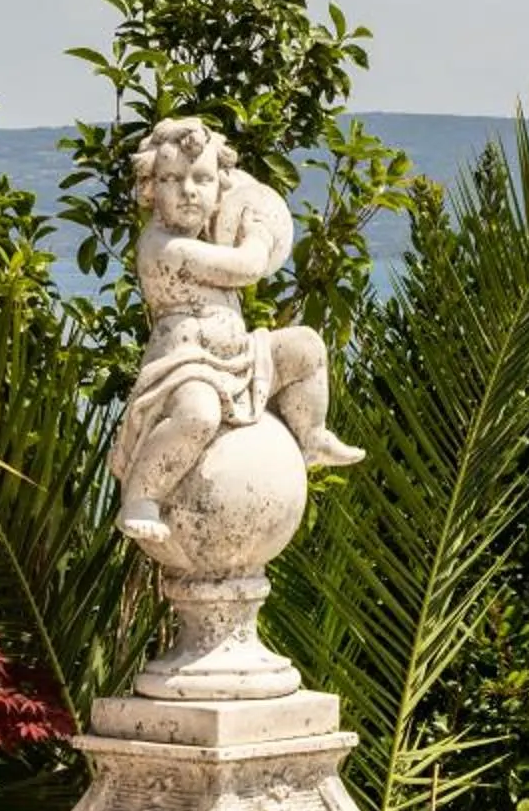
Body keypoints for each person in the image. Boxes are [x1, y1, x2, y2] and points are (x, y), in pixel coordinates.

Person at [110, 117, 362, 549]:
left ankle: (312, 435)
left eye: (202, 179)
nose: (189, 191)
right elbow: (247, 267)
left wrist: (243, 200)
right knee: (198, 415)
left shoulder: (204, 232)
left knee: (305, 347)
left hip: (238, 355)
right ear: (150, 187)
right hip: (187, 365)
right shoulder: (164, 247)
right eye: (172, 179)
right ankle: (141, 497)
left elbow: (241, 196)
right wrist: (258, 233)